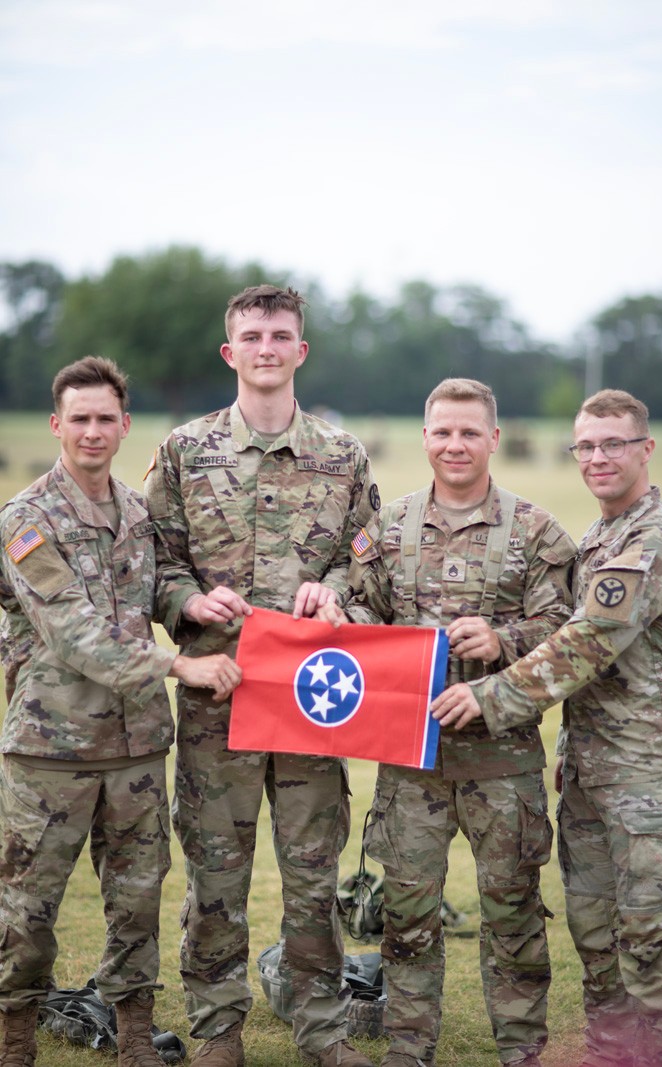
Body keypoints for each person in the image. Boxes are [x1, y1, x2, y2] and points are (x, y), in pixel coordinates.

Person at [143, 285, 379, 1067]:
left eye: (281, 334)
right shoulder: (185, 450)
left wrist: (336, 590)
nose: (267, 346)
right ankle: (217, 1031)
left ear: (300, 350)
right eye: (252, 334)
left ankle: (321, 1029)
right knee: (216, 878)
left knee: (313, 879)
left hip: (314, 703)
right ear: (230, 351)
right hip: (221, 698)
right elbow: (155, 561)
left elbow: (366, 556)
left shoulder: (343, 455)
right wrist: (187, 595)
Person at [433, 389, 662, 1067]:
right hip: (587, 768)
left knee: (649, 937)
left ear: (645, 448)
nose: (597, 457)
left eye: (612, 443)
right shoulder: (599, 535)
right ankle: (613, 1054)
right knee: (593, 932)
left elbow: (584, 642)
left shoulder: (651, 540)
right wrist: (495, 634)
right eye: (585, 444)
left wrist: (490, 695)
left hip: (643, 774)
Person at [323, 378, 577, 1067]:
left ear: (493, 437)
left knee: (513, 917)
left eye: (469, 431)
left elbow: (564, 630)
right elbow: (361, 614)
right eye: (442, 431)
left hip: (503, 762)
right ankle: (409, 1050)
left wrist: (501, 638)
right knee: (407, 920)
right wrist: (342, 612)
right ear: (424, 435)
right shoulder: (388, 528)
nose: (454, 444)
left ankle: (522, 1048)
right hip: (412, 764)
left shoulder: (536, 531)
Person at [0, 357, 242, 1067]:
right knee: (28, 912)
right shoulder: (24, 519)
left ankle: (134, 1035)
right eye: (80, 417)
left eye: (107, 417)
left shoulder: (139, 513)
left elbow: (154, 590)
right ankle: (14, 1040)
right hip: (51, 747)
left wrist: (190, 604)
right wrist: (179, 662)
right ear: (56, 425)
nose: (94, 431)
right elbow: (74, 634)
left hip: (135, 747)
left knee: (136, 905)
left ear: (125, 425)